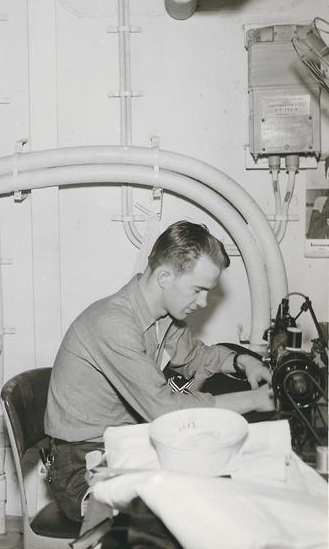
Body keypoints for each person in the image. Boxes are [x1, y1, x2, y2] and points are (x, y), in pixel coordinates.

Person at [44, 220, 275, 522]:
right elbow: (166, 410)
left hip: (126, 444)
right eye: (198, 290)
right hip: (80, 464)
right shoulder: (113, 323)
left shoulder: (165, 318)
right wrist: (255, 400)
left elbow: (195, 356)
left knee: (228, 482)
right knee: (193, 508)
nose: (203, 302)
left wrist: (244, 362)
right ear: (165, 276)